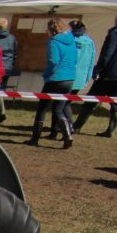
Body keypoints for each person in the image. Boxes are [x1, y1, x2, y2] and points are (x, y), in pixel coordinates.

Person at [73, 8, 117, 138]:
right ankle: (111, 130)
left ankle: (77, 126)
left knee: (91, 99)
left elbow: (107, 54)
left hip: (109, 73)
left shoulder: (116, 32)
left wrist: (99, 69)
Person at [26, 17, 78, 147]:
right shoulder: (72, 40)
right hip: (69, 79)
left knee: (42, 108)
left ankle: (35, 138)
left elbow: (53, 60)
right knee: (58, 109)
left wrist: (47, 74)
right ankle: (67, 135)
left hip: (55, 78)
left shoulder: (54, 41)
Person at [53, 20, 96, 139]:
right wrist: (87, 77)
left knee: (63, 104)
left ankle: (68, 127)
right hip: (81, 77)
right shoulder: (90, 42)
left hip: (67, 75)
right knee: (67, 102)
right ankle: (63, 127)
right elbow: (91, 61)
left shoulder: (69, 40)